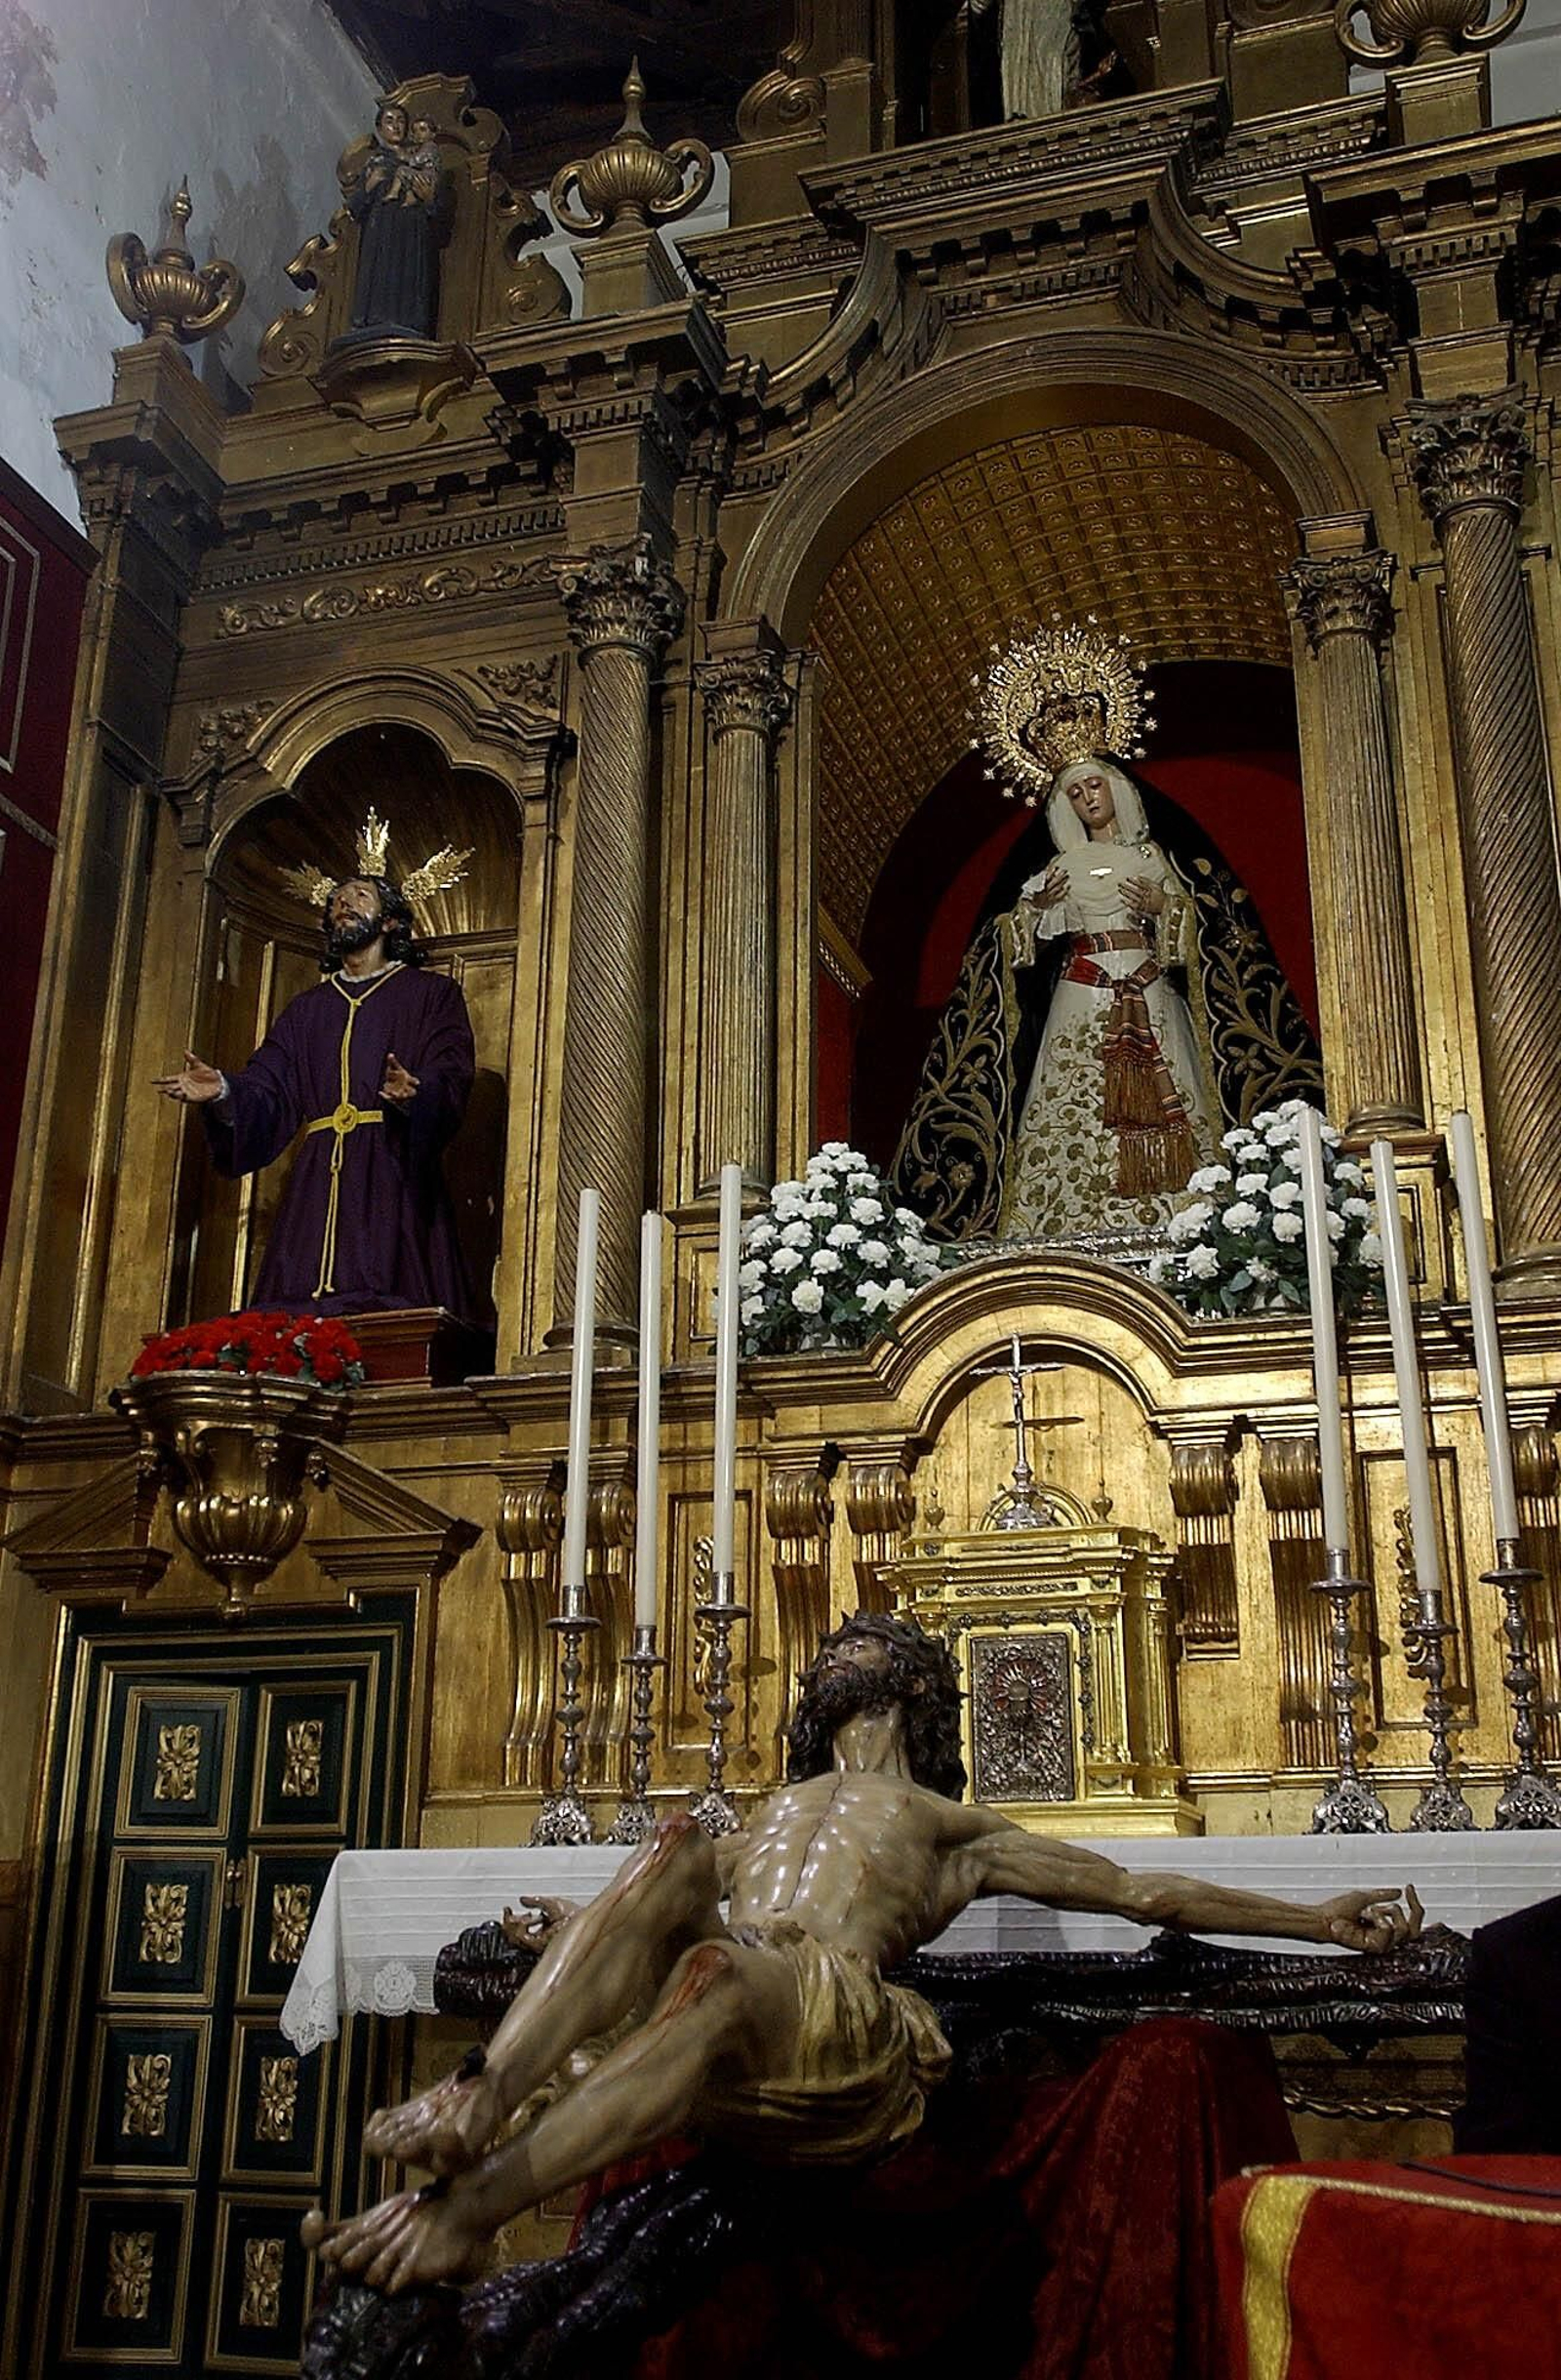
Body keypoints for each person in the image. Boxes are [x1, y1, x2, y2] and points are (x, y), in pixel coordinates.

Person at [303, 1611, 1421, 2296]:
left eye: (874, 1641)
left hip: (838, 2027)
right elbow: (650, 1903)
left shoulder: (945, 1825)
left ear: (920, 1686)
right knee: (678, 1846)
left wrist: (1320, 1918)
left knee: (712, 1970)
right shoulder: (763, 1813)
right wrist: (575, 1921)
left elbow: (1142, 1891)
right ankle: (478, 2097)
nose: (846, 1644)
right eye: (837, 1643)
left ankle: (463, 2215)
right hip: (735, 1974)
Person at [155, 870, 476, 1316]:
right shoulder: (308, 1010)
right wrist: (226, 1090)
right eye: (337, 901)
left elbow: (452, 1070)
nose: (344, 905)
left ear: (389, 922)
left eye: (360, 897)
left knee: (394, 1304)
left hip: (390, 1171)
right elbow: (269, 1086)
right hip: (316, 1183)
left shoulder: (430, 994)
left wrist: (414, 1096)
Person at [994, 753, 1220, 1238]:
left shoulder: (1148, 857)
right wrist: (1038, 906)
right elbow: (1017, 941)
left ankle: (1178, 1213)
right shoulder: (1062, 866)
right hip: (1083, 987)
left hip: (1145, 982)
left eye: (1094, 786)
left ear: (1115, 788)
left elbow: (1189, 925)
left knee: (1168, 1088)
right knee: (1079, 1094)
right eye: (1075, 794)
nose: (1088, 799)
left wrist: (1162, 906)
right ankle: (1069, 1218)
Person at [345, 100, 443, 340]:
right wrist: (371, 183)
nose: (396, 126)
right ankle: (373, 321)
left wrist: (428, 198)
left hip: (412, 226)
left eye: (400, 121)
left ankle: (409, 321)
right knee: (381, 270)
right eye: (389, 121)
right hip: (381, 227)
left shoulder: (419, 156)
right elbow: (355, 207)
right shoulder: (375, 161)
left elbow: (436, 207)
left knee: (409, 268)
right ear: (380, 128)